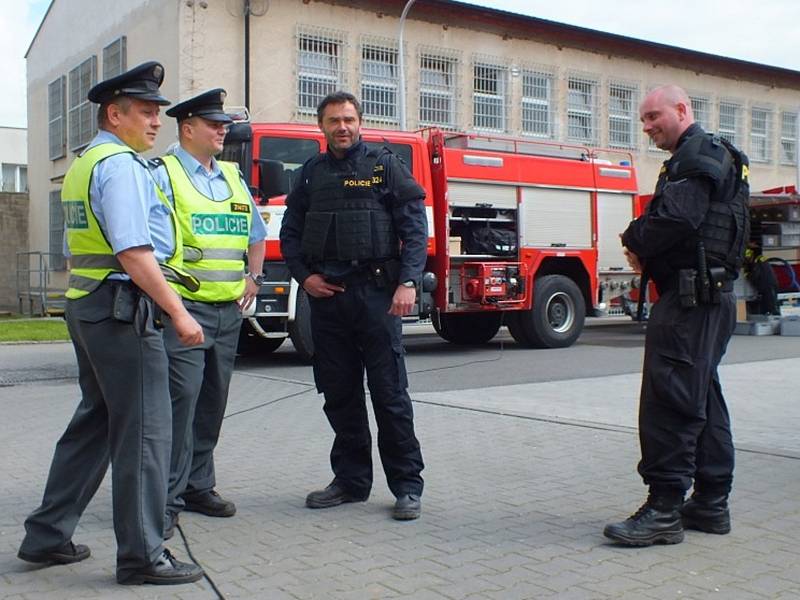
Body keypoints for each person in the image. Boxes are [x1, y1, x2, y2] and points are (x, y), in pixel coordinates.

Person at [18, 61, 206, 585]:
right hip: (122, 310)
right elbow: (133, 250)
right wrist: (178, 311)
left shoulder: (84, 163)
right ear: (113, 114)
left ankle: (47, 535)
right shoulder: (121, 165)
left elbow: (80, 247)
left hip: (89, 305)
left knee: (95, 425)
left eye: (156, 114)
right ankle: (143, 556)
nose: (155, 123)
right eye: (145, 112)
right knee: (145, 433)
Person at [604, 85, 749, 546]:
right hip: (706, 298)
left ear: (683, 109)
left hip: (691, 302)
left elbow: (676, 219)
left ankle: (664, 508)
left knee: (671, 400)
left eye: (653, 116)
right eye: (643, 120)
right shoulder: (712, 154)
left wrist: (633, 238)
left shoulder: (697, 155)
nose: (647, 127)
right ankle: (709, 503)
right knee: (701, 397)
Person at [279, 91, 427, 520]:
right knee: (340, 395)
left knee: (389, 395)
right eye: (332, 120)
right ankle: (350, 481)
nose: (341, 127)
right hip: (329, 301)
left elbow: (414, 228)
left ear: (360, 122)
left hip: (379, 297)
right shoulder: (310, 174)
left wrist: (408, 282)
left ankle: (407, 486)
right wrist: (304, 277)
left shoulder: (385, 166)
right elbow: (291, 234)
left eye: (348, 119)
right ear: (321, 126)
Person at [151, 89, 267, 537]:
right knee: (181, 403)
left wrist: (253, 278)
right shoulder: (163, 173)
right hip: (184, 308)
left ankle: (199, 486)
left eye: (224, 123)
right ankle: (165, 497)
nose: (223, 130)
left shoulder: (233, 177)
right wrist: (172, 307)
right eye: (214, 123)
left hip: (227, 312)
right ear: (187, 128)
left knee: (211, 404)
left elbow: (255, 233)